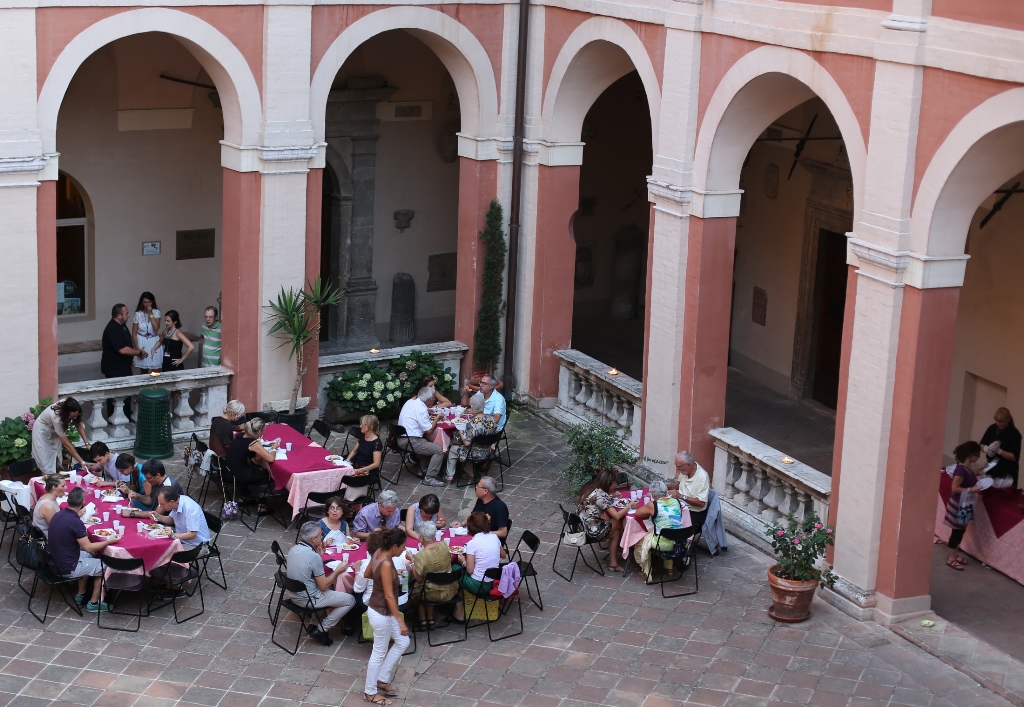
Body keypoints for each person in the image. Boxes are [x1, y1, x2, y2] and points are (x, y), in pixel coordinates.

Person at [47, 487, 118, 612]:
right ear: (83, 502)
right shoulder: (75, 522)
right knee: (106, 566)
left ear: (68, 501)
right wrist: (108, 541)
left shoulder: (58, 514)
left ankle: (81, 593)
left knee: (90, 556)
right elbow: (88, 546)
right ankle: (94, 602)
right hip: (67, 566)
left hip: (55, 561)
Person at [362, 527, 410, 705]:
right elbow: (390, 596)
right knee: (378, 653)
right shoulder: (387, 563)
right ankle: (369, 692)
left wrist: (388, 577)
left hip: (379, 610)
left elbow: (367, 573)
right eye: (403, 547)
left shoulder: (378, 553)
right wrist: (400, 621)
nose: (404, 550)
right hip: (382, 613)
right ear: (395, 546)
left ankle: (382, 678)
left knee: (403, 642)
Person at [287, 521, 355, 645]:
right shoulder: (313, 557)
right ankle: (322, 628)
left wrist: (318, 556)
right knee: (350, 600)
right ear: (313, 539)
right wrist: (337, 571)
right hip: (308, 599)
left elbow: (307, 568)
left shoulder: (294, 549)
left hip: (293, 594)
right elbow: (323, 586)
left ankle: (317, 619)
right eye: (320, 535)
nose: (322, 537)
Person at [944, 441, 986, 571]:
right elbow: (954, 488)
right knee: (956, 532)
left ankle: (955, 554)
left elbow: (970, 477)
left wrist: (979, 470)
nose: (978, 457)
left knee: (961, 531)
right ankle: (951, 558)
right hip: (958, 504)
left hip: (965, 504)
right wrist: (971, 490)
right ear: (970, 455)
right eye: (977, 454)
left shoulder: (967, 468)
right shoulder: (961, 470)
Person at [632, 479, 687, 579]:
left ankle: (647, 572)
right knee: (670, 533)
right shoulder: (677, 502)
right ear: (666, 492)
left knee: (641, 540)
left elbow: (638, 513)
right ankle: (669, 570)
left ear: (653, 495)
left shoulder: (653, 505)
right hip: (679, 541)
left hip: (662, 544)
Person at [577, 469, 628, 572]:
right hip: (591, 531)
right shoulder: (601, 495)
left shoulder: (590, 488)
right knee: (617, 522)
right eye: (614, 483)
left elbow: (598, 499)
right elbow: (617, 516)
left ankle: (613, 564)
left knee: (616, 532)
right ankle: (626, 546)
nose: (615, 485)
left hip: (580, 526)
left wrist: (611, 496)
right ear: (609, 483)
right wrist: (630, 506)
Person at [409, 520, 458, 628]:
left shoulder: (421, 556)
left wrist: (412, 561)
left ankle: (423, 619)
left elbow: (419, 579)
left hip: (433, 593)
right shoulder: (444, 544)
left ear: (421, 537)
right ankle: (430, 618)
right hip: (450, 589)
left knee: (417, 588)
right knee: (430, 582)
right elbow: (449, 560)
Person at [397, 387, 445, 486]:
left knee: (428, 443)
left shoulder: (411, 401)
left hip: (401, 436)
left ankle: (423, 470)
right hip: (410, 440)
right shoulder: (421, 409)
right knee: (439, 450)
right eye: (433, 398)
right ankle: (429, 478)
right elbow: (428, 431)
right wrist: (437, 418)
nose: (434, 400)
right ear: (428, 400)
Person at [444, 394, 497, 482]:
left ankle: (449, 476)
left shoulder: (472, 423)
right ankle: (470, 473)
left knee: (454, 448)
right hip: (487, 452)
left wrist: (461, 433)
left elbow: (467, 443)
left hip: (474, 453)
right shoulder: (491, 420)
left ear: (473, 408)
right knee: (471, 446)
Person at [455, 511, 506, 603]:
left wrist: (463, 562)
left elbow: (469, 571)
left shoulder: (472, 543)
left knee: (454, 568)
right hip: (492, 581)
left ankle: (457, 605)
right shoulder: (494, 537)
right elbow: (503, 555)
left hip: (477, 585)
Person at [31, 398, 91, 473]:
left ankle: (57, 479)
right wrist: (82, 462)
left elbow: (78, 423)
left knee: (56, 457)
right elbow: (66, 444)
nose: (74, 418)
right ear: (66, 413)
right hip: (42, 432)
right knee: (46, 462)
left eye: (76, 415)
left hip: (54, 431)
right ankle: (47, 481)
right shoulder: (57, 418)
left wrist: (87, 444)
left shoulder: (72, 404)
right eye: (72, 417)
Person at [224, 418, 275, 500]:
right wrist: (274, 448)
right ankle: (262, 506)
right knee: (265, 474)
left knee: (255, 468)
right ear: (259, 432)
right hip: (238, 475)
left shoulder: (241, 436)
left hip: (228, 470)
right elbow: (271, 459)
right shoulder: (253, 443)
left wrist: (258, 453)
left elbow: (253, 457)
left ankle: (245, 496)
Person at [667, 450, 710, 531]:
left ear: (688, 465)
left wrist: (680, 496)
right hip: (680, 507)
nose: (677, 469)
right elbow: (679, 483)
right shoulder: (684, 470)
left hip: (694, 512)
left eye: (679, 467)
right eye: (676, 466)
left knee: (673, 526)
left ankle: (682, 542)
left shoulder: (702, 477)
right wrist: (668, 486)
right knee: (661, 516)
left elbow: (701, 503)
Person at [980, 407, 1022, 490]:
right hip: (992, 468)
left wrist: (999, 451)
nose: (998, 424)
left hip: (1006, 472)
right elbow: (981, 444)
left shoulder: (1014, 434)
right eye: (997, 421)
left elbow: (1014, 457)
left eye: (1001, 422)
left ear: (1008, 420)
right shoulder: (992, 428)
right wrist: (986, 448)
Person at [132, 291, 163, 372]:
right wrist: (137, 349)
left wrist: (150, 313)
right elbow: (134, 333)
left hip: (154, 341)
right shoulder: (137, 314)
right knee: (144, 369)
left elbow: (156, 328)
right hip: (142, 341)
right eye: (145, 302)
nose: (148, 304)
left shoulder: (156, 312)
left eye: (149, 302)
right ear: (142, 303)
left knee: (156, 369)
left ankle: (156, 385)